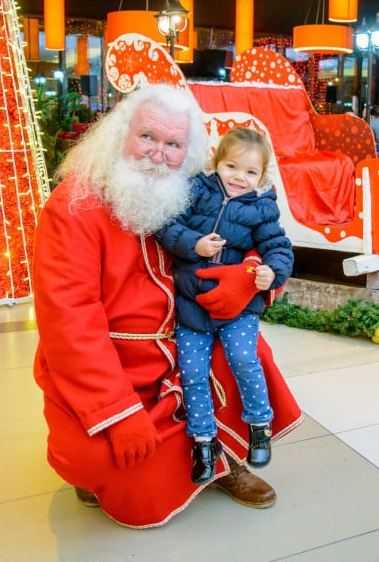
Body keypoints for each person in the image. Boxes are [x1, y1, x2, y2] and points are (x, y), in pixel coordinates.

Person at [32, 83, 302, 528]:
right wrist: (115, 412)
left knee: (247, 351)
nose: (158, 154)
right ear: (120, 134)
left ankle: (224, 456)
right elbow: (69, 321)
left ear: (190, 152)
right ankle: (113, 464)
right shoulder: (74, 204)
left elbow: (261, 241)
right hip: (119, 364)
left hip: (188, 334)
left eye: (173, 144)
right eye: (147, 137)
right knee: (95, 457)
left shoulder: (193, 190)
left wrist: (250, 278)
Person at [156, 127, 293, 484]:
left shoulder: (262, 207)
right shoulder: (196, 191)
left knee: (245, 359)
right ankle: (204, 441)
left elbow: (278, 246)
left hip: (238, 310)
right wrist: (193, 245)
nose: (239, 178)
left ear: (262, 176)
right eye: (232, 167)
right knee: (193, 373)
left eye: (251, 172)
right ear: (216, 162)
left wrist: (271, 273)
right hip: (193, 305)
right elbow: (167, 226)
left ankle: (259, 424)